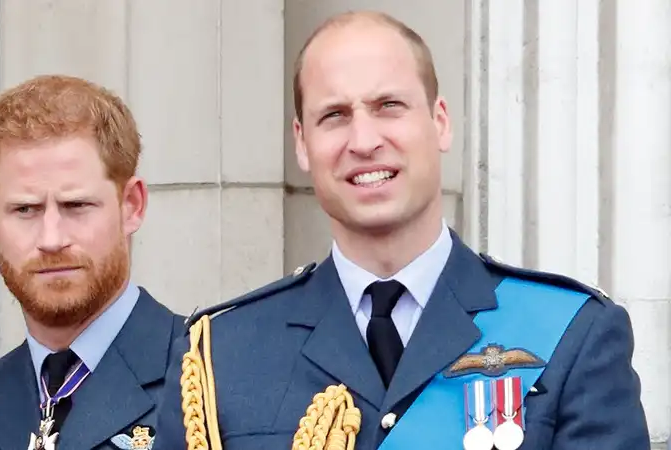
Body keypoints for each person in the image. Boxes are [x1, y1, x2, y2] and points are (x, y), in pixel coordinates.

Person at [152, 10, 650, 450]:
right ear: (302, 144)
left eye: (389, 105)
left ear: (440, 122)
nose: (364, 140)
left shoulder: (572, 335)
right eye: (335, 115)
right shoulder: (221, 355)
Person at [0, 75, 185, 449]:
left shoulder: (210, 385)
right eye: (25, 209)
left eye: (76, 206)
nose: (51, 239)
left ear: (132, 206)